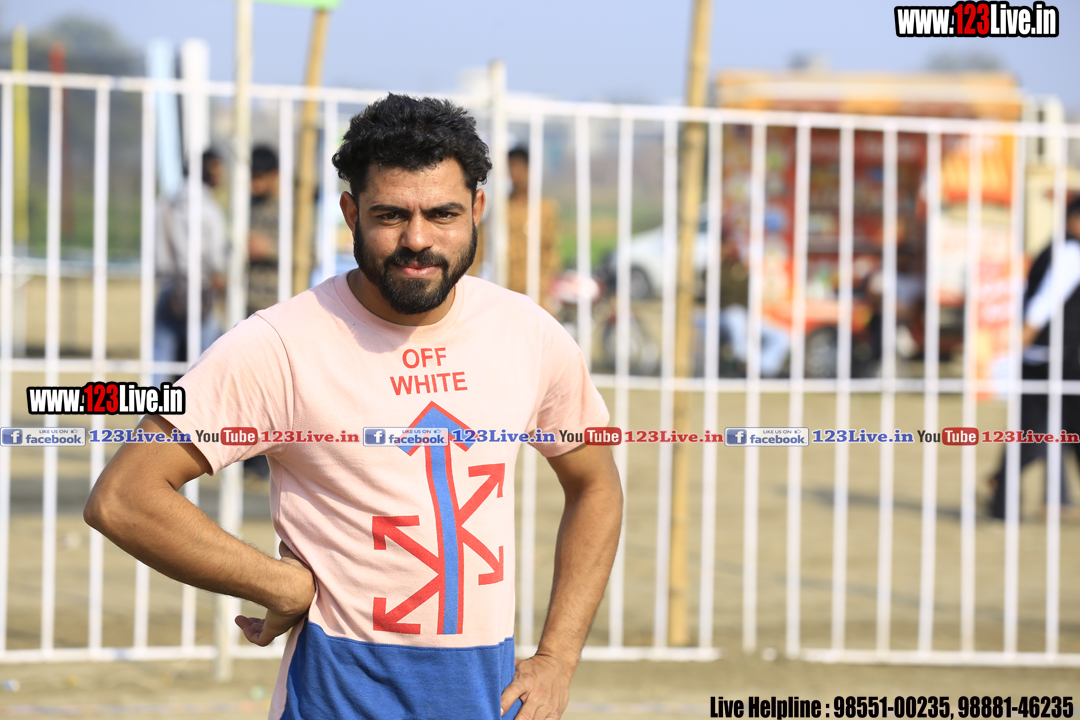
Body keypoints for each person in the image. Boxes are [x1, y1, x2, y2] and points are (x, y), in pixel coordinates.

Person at [84, 94, 623, 720]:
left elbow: (597, 485)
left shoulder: (526, 333)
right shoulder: (282, 344)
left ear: (477, 209)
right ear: (350, 213)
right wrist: (278, 584)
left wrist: (558, 658)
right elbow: (124, 496)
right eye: (391, 215)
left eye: (443, 214)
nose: (417, 239)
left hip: (483, 701)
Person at [987, 197, 1080, 519]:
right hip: (1054, 359)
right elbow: (1045, 302)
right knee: (1033, 433)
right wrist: (1021, 340)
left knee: (1037, 432)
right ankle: (1002, 492)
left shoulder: (1058, 249)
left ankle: (1007, 494)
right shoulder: (1069, 251)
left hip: (1052, 357)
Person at [153, 148, 228, 386]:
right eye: (218, 168)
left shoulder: (165, 206)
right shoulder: (210, 210)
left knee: (160, 364)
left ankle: (149, 408)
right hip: (200, 292)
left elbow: (156, 252)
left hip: (169, 289)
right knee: (205, 366)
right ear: (208, 170)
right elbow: (216, 259)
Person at [474, 146, 562, 312]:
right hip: (504, 287)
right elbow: (480, 246)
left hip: (536, 291)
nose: (514, 173)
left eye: (518, 167)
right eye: (511, 167)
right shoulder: (501, 208)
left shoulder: (545, 208)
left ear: (529, 170)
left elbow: (551, 250)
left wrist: (545, 284)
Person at [247, 144, 282, 315]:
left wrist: (270, 249)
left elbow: (311, 254)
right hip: (247, 302)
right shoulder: (246, 203)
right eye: (251, 177)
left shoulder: (295, 207)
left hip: (278, 303)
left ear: (274, 173)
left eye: (259, 177)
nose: (255, 184)